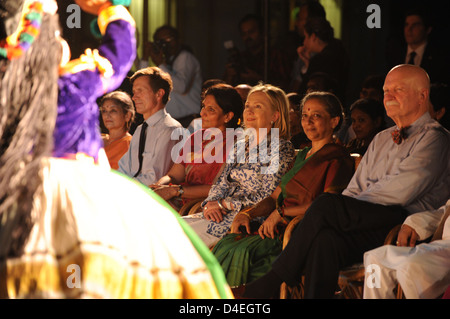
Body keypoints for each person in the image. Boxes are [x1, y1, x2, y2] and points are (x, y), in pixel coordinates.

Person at [0, 0, 232, 299]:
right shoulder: (72, 84)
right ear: (45, 46)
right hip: (75, 192)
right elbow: (120, 52)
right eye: (56, 35)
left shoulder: (8, 89)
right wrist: (109, 9)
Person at [235, 64, 450, 299]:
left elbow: (401, 192)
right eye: (386, 90)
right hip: (366, 220)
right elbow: (355, 187)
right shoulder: (381, 139)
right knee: (325, 240)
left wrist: (344, 210)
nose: (388, 95)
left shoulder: (435, 138)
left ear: (422, 95)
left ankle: (273, 280)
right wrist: (345, 212)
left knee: (329, 204)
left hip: (404, 225)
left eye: (397, 89)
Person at [212, 91, 354, 287]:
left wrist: (280, 213)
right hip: (273, 227)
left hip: (299, 232)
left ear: (334, 121)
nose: (308, 121)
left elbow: (326, 206)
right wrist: (248, 213)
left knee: (243, 252)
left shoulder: (338, 158)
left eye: (316, 116)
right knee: (226, 243)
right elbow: (274, 196)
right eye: (304, 115)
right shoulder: (302, 155)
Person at [182, 84, 296, 248]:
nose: (249, 111)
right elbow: (220, 183)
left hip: (246, 219)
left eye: (257, 106)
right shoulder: (241, 144)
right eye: (247, 105)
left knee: (175, 239)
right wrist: (210, 204)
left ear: (275, 115)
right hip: (218, 215)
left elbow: (267, 195)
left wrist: (223, 204)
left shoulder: (279, 148)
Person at [150, 83, 243, 212]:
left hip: (208, 209)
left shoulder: (238, 143)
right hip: (180, 200)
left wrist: (175, 191)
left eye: (211, 110)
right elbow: (174, 176)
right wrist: (159, 186)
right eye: (204, 107)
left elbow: (220, 188)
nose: (202, 113)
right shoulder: (196, 138)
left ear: (228, 116)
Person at [363, 199, 450, 299]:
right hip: (441, 244)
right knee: (375, 258)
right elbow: (446, 212)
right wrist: (412, 224)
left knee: (410, 265)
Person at [118, 66, 183, 187]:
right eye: (134, 92)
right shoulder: (140, 129)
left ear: (159, 94)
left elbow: (155, 178)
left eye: (140, 91)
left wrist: (122, 189)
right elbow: (124, 169)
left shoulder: (170, 129)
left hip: (151, 198)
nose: (134, 97)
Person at [148, 25, 203, 128]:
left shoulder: (185, 57)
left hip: (190, 121)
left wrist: (160, 64)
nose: (166, 44)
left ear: (178, 40)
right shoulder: (165, 63)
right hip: (174, 122)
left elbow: (181, 87)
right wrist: (145, 58)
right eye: (161, 41)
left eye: (169, 39)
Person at [223, 14, 291, 92]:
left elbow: (285, 86)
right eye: (244, 34)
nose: (248, 37)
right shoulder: (240, 57)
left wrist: (259, 79)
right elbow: (225, 90)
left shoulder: (276, 55)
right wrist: (229, 76)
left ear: (262, 32)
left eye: (251, 32)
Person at [386, 8, 450, 86]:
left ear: (427, 30)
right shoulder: (394, 54)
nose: (409, 29)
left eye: (415, 25)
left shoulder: (440, 58)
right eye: (407, 25)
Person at [296, 17, 349, 104]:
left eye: (305, 37)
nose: (304, 43)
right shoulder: (339, 51)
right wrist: (307, 63)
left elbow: (303, 91)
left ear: (313, 37)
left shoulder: (320, 59)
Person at [100, 91, 135, 170]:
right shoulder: (98, 140)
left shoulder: (130, 145)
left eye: (113, 110)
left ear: (127, 115)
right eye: (104, 111)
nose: (107, 115)